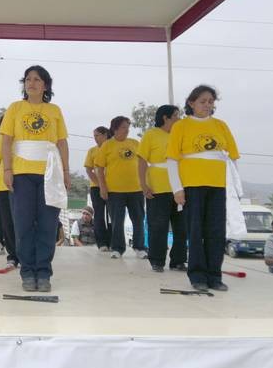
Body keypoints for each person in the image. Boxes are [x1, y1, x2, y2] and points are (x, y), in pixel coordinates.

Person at [1, 65, 70, 293]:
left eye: (37, 80)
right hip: (21, 174)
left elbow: (61, 143)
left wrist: (66, 173)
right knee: (23, 225)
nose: (31, 83)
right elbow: (6, 141)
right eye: (28, 79)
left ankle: (44, 272)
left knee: (47, 226)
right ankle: (27, 272)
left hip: (50, 174)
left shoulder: (54, 110)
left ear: (45, 85)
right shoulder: (15, 108)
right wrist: (8, 170)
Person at [166, 85, 239, 292]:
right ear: (191, 103)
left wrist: (234, 188)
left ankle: (214, 275)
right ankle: (197, 275)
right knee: (196, 231)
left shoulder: (221, 126)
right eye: (203, 101)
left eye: (210, 101)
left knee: (216, 231)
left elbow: (232, 158)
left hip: (218, 185)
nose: (207, 105)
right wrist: (177, 189)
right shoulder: (181, 126)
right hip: (192, 185)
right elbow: (172, 160)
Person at [137, 105, 187, 273]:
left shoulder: (178, 135)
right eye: (176, 116)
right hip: (157, 187)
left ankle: (178, 260)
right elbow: (142, 160)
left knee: (182, 226)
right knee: (158, 225)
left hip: (179, 188)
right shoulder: (151, 134)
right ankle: (157, 260)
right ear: (165, 118)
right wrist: (144, 185)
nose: (179, 119)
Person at [96, 116, 147, 259]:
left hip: (136, 189)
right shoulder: (107, 145)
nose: (127, 130)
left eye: (128, 127)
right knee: (117, 221)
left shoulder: (135, 143)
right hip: (115, 191)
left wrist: (145, 184)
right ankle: (118, 248)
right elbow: (99, 168)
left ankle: (140, 247)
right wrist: (102, 188)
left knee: (138, 219)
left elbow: (144, 164)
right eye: (124, 127)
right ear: (115, 128)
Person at [0, 127, 19, 270]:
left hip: (23, 185)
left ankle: (26, 256)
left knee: (23, 223)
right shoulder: (2, 140)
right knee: (8, 223)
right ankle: (13, 256)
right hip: (4, 186)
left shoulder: (27, 136)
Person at [84, 126, 112, 251]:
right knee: (99, 215)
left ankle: (112, 241)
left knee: (112, 215)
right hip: (96, 187)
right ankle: (102, 243)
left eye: (97, 135)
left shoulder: (113, 148)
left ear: (105, 135)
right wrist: (100, 185)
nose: (95, 138)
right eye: (94, 136)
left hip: (113, 187)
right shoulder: (92, 151)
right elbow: (88, 169)